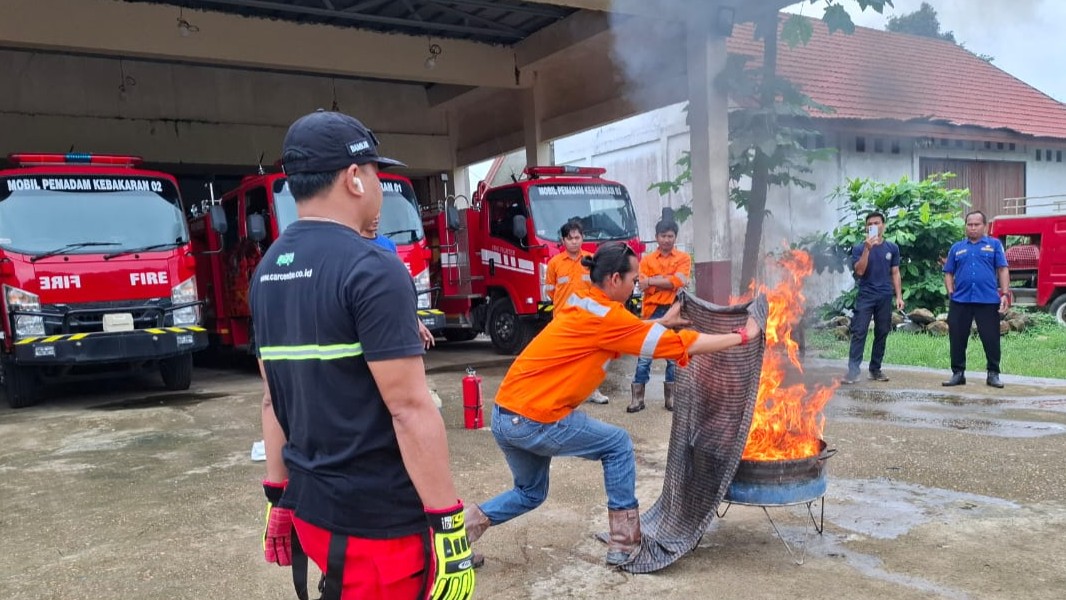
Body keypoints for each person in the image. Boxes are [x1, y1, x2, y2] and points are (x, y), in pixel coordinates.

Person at [251, 110, 474, 600]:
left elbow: (272, 399)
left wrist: (278, 495)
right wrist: (449, 530)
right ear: (354, 178)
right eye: (376, 173)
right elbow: (409, 408)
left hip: (312, 511)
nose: (379, 187)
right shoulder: (372, 267)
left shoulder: (266, 270)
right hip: (379, 526)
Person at [462, 242, 762, 567]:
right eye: (634, 280)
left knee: (531, 493)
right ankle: (624, 544)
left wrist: (664, 321)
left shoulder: (588, 304)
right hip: (536, 418)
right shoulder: (607, 317)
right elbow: (677, 345)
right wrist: (742, 337)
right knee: (617, 444)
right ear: (615, 279)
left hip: (506, 414)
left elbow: (620, 333)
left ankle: (461, 533)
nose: (636, 287)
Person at [942, 210, 1011, 389]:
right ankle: (958, 374)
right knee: (957, 338)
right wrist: (951, 292)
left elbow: (1002, 269)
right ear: (965, 226)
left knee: (991, 338)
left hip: (987, 300)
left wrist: (1004, 294)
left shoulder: (994, 245)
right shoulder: (957, 248)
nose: (972, 228)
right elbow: (948, 272)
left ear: (984, 226)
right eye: (969, 224)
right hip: (961, 301)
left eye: (976, 224)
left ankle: (993, 374)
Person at [544, 219, 609, 404]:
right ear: (563, 240)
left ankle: (593, 391)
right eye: (570, 238)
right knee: (564, 359)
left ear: (583, 238)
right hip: (563, 320)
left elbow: (599, 287)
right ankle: (566, 395)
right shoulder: (554, 263)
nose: (574, 241)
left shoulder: (591, 260)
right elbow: (550, 290)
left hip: (588, 318)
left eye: (577, 237)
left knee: (591, 358)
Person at [630, 219, 692, 412]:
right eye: (663, 236)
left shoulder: (683, 258)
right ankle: (638, 399)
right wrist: (668, 281)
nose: (667, 239)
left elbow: (680, 281)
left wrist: (653, 281)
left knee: (673, 354)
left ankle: (671, 399)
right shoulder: (647, 260)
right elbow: (642, 284)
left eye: (670, 236)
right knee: (644, 355)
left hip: (674, 309)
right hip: (651, 311)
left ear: (675, 237)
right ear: (657, 237)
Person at [843, 212, 904, 384]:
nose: (873, 226)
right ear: (866, 227)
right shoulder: (858, 248)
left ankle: (875, 369)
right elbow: (860, 271)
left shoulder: (892, 248)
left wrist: (899, 296)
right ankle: (853, 372)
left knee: (882, 332)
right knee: (859, 331)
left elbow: (895, 272)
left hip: (885, 296)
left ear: (883, 225)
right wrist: (867, 250)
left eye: (877, 223)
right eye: (870, 224)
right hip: (866, 295)